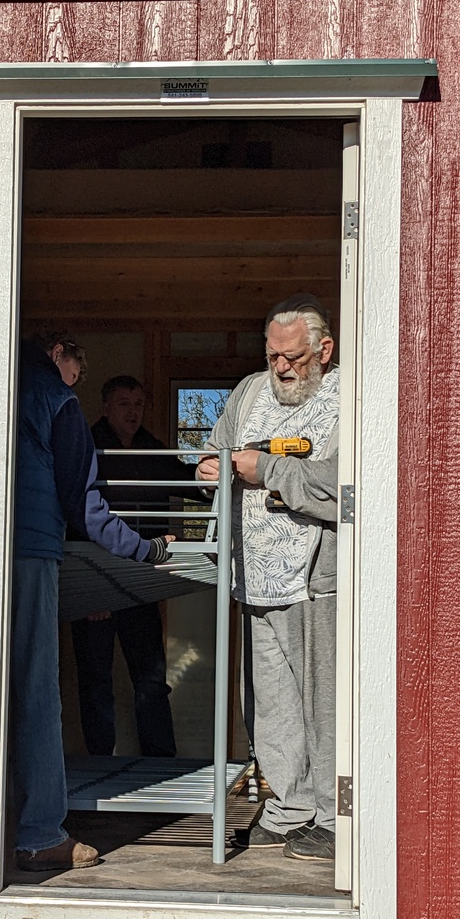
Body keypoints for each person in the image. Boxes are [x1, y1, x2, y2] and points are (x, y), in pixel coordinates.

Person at [12, 338, 173, 872]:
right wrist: (144, 549)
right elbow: (86, 506)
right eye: (76, 373)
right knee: (40, 689)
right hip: (36, 551)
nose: (74, 382)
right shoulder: (59, 402)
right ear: (60, 353)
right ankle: (38, 833)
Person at [197, 294, 339, 862]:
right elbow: (214, 453)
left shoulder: (345, 399)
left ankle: (333, 817)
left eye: (295, 358)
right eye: (273, 354)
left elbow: (343, 485)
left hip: (315, 580)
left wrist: (268, 470)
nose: (281, 368)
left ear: (323, 351)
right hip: (252, 576)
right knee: (270, 703)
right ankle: (288, 809)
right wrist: (212, 469)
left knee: (323, 704)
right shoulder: (251, 391)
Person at [70, 375, 197, 757]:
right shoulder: (87, 447)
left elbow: (188, 482)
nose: (132, 411)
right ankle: (99, 768)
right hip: (95, 580)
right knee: (95, 680)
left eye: (138, 404)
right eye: (124, 403)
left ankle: (161, 764)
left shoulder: (150, 450)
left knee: (152, 679)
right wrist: (92, 591)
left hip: (142, 580)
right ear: (106, 406)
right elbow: (76, 517)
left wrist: (217, 473)